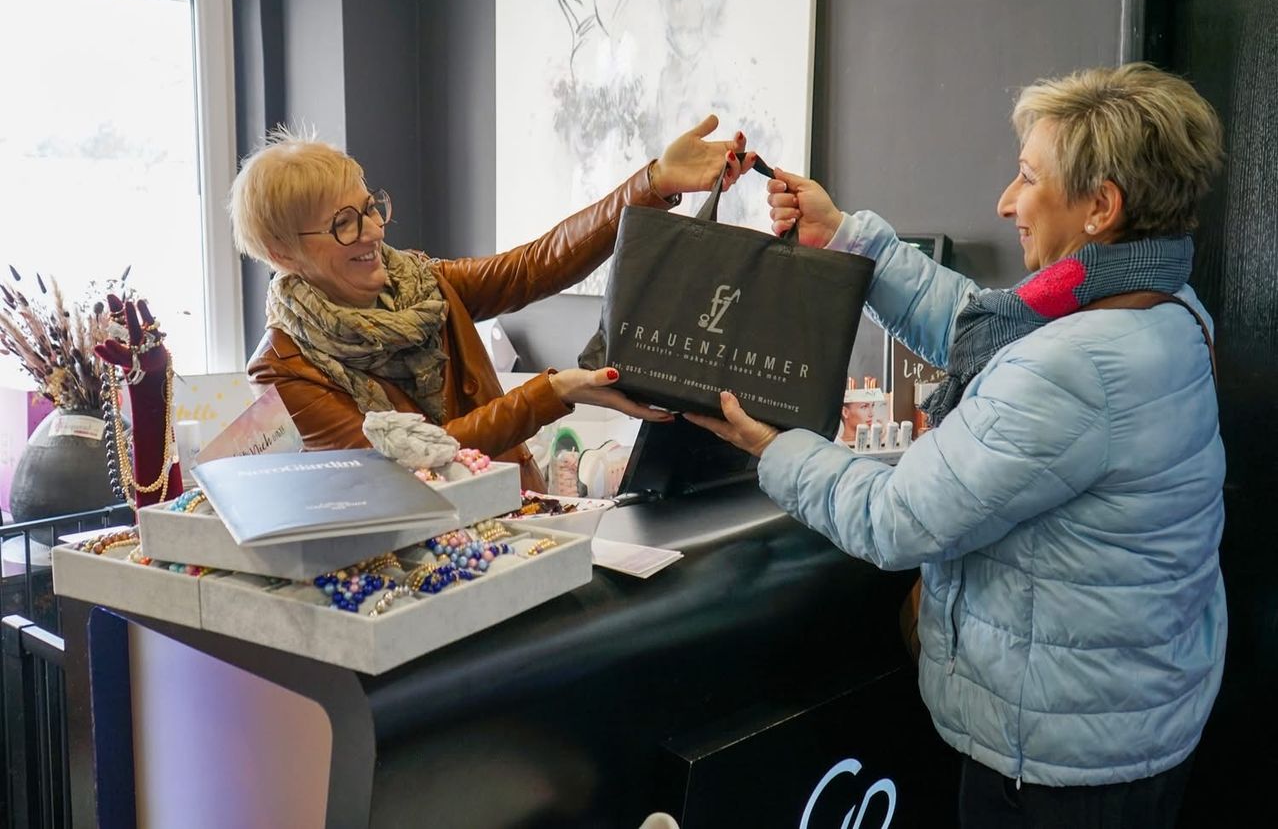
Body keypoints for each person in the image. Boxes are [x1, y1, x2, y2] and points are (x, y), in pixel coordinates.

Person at [686, 63, 1225, 828]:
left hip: (1054, 775)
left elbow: (896, 518)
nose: (1007, 201)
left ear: (1101, 207)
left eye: (1028, 177)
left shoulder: (1073, 365)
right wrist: (847, 237)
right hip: (1131, 725)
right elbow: (984, 325)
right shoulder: (1165, 305)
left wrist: (776, 448)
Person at [230, 115, 755, 491]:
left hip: (516, 519)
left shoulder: (421, 284)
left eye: (369, 209)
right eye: (343, 223)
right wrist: (550, 394)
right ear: (284, 252)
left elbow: (534, 265)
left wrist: (653, 182)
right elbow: (408, 461)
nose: (371, 232)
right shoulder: (285, 370)